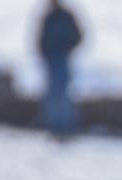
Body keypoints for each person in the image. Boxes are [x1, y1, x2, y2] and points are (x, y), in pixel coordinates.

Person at [37, 0, 83, 139]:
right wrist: (45, 53)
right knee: (52, 93)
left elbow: (78, 36)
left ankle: (67, 126)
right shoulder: (48, 16)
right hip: (51, 59)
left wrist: (66, 49)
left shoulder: (66, 16)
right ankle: (53, 125)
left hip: (62, 58)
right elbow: (41, 38)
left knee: (62, 92)